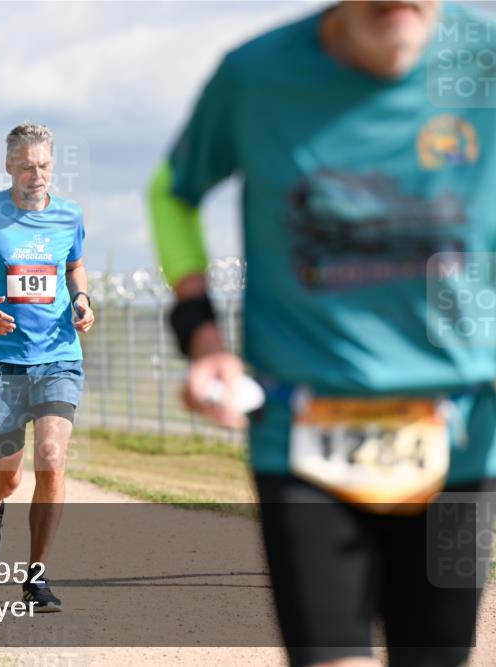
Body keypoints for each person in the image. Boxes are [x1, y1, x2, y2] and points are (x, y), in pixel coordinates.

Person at [148, 2, 495, 665]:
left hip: (464, 439)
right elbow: (173, 191)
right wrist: (203, 336)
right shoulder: (256, 77)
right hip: (300, 429)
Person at [0, 122, 94, 611]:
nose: (37, 175)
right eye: (27, 166)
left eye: (44, 165)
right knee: (6, 478)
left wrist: (82, 299)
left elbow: (74, 266)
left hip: (58, 357)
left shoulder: (69, 214)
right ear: (8, 165)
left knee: (51, 458)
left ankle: (36, 576)